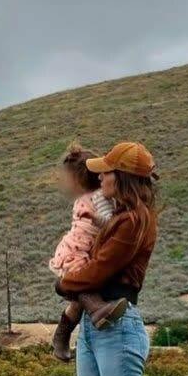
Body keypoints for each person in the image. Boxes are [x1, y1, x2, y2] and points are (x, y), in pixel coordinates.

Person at [57, 141, 158, 376]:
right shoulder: (118, 217)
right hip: (95, 324)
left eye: (106, 172)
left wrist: (64, 283)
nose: (100, 178)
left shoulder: (135, 221)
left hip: (117, 324)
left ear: (123, 177)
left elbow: (98, 272)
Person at [49, 143, 129, 362]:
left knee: (76, 301)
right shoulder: (97, 198)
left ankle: (60, 338)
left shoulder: (93, 198)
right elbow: (109, 223)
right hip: (77, 251)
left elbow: (106, 222)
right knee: (83, 290)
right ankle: (98, 311)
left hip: (78, 249)